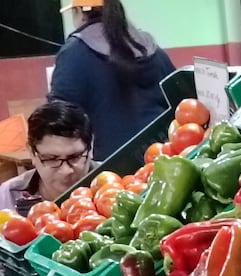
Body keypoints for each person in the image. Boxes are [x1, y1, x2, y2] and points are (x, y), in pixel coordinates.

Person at [51, 0, 176, 161]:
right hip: (166, 159)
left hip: (113, 172)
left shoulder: (73, 54)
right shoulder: (151, 48)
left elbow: (59, 119)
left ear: (80, 14)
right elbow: (179, 98)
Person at [0, 100, 93, 213]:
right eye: (51, 159)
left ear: (91, 147)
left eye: (75, 157)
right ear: (32, 153)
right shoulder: (9, 196)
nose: (65, 171)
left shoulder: (116, 182)